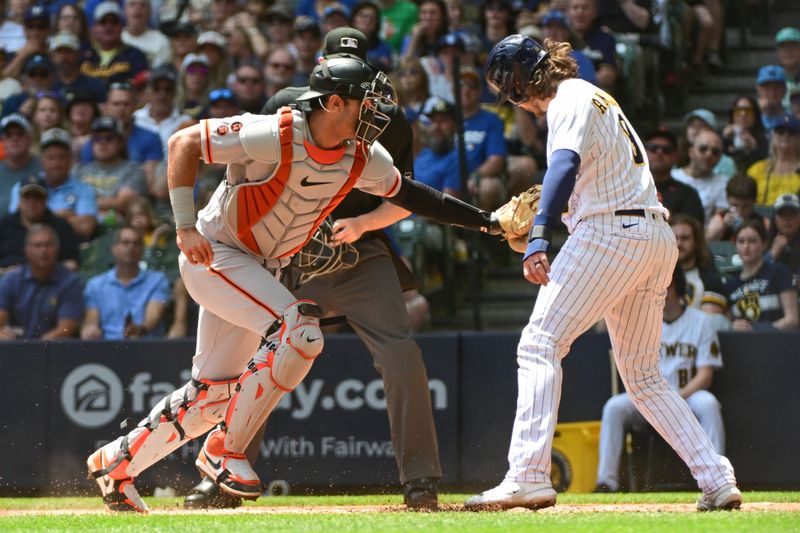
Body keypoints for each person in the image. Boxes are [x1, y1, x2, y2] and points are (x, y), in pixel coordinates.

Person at [86, 55, 504, 513]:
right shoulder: (279, 131)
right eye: (366, 100)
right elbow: (184, 143)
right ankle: (225, 451)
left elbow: (411, 194)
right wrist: (183, 227)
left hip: (257, 268)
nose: (376, 110)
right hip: (216, 253)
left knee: (213, 393)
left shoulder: (363, 156)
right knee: (300, 330)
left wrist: (487, 222)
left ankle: (116, 465)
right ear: (335, 102)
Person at [465, 35, 740, 512]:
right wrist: (550, 212)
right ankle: (716, 477)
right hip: (653, 235)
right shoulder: (594, 95)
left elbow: (565, 163)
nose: (511, 98)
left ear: (518, 80)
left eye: (507, 87)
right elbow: (581, 174)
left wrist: (540, 234)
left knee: (539, 343)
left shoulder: (566, 97)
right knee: (642, 376)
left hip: (611, 233)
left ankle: (527, 475)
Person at [184, 27, 442, 512]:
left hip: (358, 251)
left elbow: (406, 198)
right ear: (324, 69)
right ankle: (221, 474)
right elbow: (244, 170)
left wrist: (363, 223)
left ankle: (421, 480)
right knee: (255, 359)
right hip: (287, 253)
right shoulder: (286, 103)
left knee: (401, 353)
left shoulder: (392, 122)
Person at [595, 267, 725, 493]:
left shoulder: (701, 321)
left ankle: (718, 478)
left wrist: (675, 399)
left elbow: (705, 375)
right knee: (614, 407)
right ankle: (607, 483)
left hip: (686, 395)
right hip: (645, 396)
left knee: (708, 403)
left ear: (674, 283)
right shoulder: (639, 322)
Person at [81, 225, 172, 340]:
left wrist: (139, 329)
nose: (131, 247)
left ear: (143, 250)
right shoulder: (95, 285)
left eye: (136, 243)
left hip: (146, 346)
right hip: (107, 348)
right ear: (114, 248)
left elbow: (152, 317)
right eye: (125, 242)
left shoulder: (157, 280)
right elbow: (91, 320)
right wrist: (90, 330)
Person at [9, 128, 98, 241]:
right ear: (41, 159)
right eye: (50, 157)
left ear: (70, 159)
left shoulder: (85, 190)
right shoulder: (22, 187)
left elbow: (86, 229)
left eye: (61, 157)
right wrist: (63, 216)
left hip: (69, 248)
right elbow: (16, 224)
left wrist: (38, 216)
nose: (56, 163)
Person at [0, 223, 83, 340]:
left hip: (53, 351)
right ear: (26, 250)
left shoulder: (70, 282)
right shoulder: (11, 279)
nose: (43, 251)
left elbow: (66, 329)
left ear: (57, 248)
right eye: (37, 246)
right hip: (15, 348)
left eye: (48, 245)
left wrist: (36, 349)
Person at [725, 220, 798, 332]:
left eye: (752, 241)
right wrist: (732, 326)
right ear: (735, 246)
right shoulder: (730, 285)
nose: (746, 246)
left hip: (777, 343)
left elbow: (792, 319)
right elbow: (725, 323)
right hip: (742, 345)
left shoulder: (779, 272)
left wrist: (761, 330)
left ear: (764, 244)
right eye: (741, 241)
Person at [75, 117, 148, 225]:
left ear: (121, 143)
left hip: (118, 229)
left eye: (109, 138)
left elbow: (122, 203)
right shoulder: (79, 170)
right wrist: (108, 203)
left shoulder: (134, 170)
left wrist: (82, 203)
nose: (102, 143)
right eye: (97, 138)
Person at [0, 178, 80, 272]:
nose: (32, 202)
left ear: (45, 201)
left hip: (51, 282)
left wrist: (44, 270)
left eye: (37, 198)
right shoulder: (4, 225)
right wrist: (6, 272)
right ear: (19, 201)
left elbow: (72, 263)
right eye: (27, 197)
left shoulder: (61, 226)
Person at [669, 213, 729, 322]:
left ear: (696, 242)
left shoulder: (710, 278)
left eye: (685, 238)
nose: (679, 243)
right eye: (674, 238)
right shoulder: (656, 278)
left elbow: (709, 320)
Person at [79, 1, 149, 86]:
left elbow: (142, 90)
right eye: (103, 22)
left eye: (114, 22)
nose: (109, 26)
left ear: (122, 26)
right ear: (94, 27)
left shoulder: (136, 56)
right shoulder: (81, 53)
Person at [644, 128, 705, 224]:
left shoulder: (687, 194)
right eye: (653, 148)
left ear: (676, 156)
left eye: (667, 150)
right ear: (643, 152)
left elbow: (694, 230)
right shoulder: (628, 188)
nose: (659, 152)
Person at [672, 127, 730, 224]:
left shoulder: (723, 183)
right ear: (691, 152)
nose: (709, 154)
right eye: (703, 149)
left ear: (720, 157)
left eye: (715, 152)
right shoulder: (673, 177)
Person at [746, 115, 800, 206]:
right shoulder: (757, 169)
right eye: (780, 131)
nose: (785, 135)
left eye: (791, 132)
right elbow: (744, 198)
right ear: (772, 136)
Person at [0, 114, 41, 217]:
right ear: (3, 140)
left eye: (20, 134)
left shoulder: (44, 169)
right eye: (9, 135)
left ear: (30, 138)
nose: (14, 138)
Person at [706, 174, 768, 242]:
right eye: (735, 205)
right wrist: (723, 226)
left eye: (745, 206)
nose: (740, 210)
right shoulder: (719, 219)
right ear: (727, 199)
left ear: (754, 201)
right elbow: (707, 242)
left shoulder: (764, 223)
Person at [721, 95, 768, 174]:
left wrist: (754, 149)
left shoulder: (763, 138)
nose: (743, 114)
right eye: (738, 110)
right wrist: (724, 140)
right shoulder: (725, 135)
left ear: (755, 115)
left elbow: (766, 165)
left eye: (748, 110)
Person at [766, 193, 800, 276]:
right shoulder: (762, 242)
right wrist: (772, 255)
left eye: (792, 213)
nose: (787, 218)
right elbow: (755, 277)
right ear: (774, 218)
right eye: (782, 214)